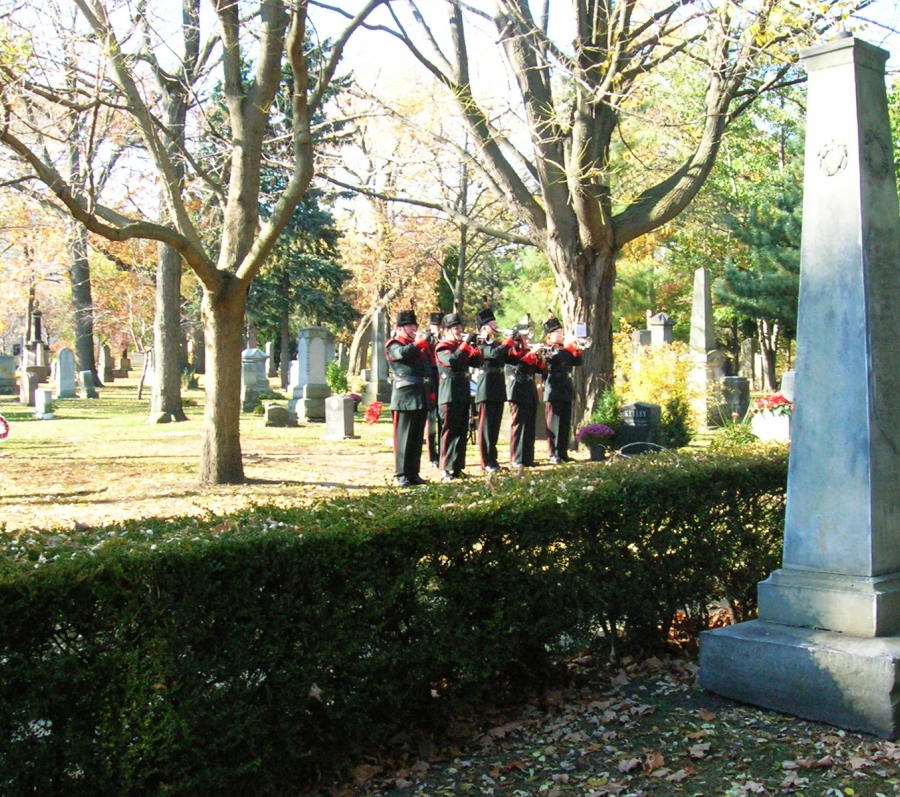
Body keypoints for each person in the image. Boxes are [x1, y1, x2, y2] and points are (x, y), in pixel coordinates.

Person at [385, 309, 431, 487]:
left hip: (420, 393)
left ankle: (413, 472)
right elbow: (401, 354)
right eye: (410, 326)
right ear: (400, 328)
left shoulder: (418, 346)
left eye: (415, 325)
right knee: (403, 437)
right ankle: (401, 474)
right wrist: (420, 343)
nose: (413, 329)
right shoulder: (393, 344)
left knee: (416, 437)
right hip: (404, 395)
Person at [436, 312, 482, 481]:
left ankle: (457, 467)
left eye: (460, 327)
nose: (459, 330)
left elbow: (477, 363)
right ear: (447, 330)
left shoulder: (460, 347)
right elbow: (453, 361)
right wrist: (466, 344)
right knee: (449, 430)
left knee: (462, 431)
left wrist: (476, 347)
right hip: (448, 392)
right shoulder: (442, 347)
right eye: (455, 328)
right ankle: (445, 468)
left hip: (462, 391)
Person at [474, 306, 515, 473]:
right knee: (486, 427)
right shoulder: (480, 343)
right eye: (493, 325)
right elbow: (494, 354)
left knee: (495, 426)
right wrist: (508, 342)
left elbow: (510, 358)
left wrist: (517, 344)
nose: (497, 328)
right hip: (486, 387)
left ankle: (493, 459)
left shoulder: (497, 344)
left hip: (497, 386)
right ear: (484, 328)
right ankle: (486, 461)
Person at [542, 316, 582, 464]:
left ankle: (562, 452)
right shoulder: (547, 348)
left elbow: (577, 362)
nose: (560, 334)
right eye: (557, 332)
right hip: (553, 388)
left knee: (565, 422)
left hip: (565, 388)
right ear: (549, 335)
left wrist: (576, 349)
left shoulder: (565, 350)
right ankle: (553, 453)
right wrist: (568, 347)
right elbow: (553, 362)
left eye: (561, 331)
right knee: (554, 422)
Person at [506, 324, 546, 468]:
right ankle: (516, 458)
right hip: (517, 389)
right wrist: (531, 354)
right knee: (519, 424)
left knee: (530, 425)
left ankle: (528, 457)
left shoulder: (528, 351)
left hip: (529, 389)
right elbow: (520, 366)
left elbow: (541, 371)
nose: (527, 339)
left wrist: (539, 357)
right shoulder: (513, 349)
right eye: (524, 336)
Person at [425, 312, 443, 468]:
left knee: (443, 421)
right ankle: (432, 455)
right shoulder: (426, 342)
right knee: (430, 422)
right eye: (436, 326)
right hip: (431, 384)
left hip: (443, 384)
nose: (438, 329)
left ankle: (444, 453)